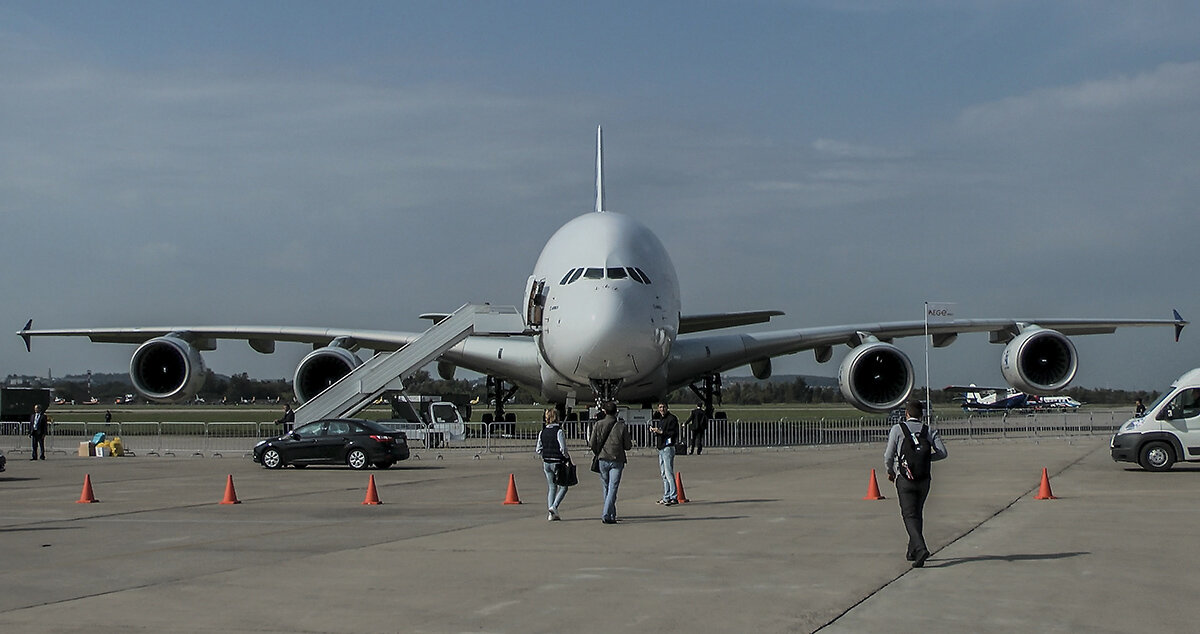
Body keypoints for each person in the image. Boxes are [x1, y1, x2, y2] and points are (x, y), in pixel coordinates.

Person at [883, 399, 947, 568]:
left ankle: (920, 548)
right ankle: (912, 551)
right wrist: (927, 460)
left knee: (909, 515)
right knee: (917, 513)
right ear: (922, 414)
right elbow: (943, 453)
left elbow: (888, 455)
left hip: (904, 478)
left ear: (907, 413)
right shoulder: (929, 430)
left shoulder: (898, 429)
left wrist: (890, 471)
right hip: (924, 479)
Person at [588, 401, 632, 524]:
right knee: (613, 487)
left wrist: (598, 451)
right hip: (617, 459)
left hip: (602, 458)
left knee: (606, 487)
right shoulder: (621, 426)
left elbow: (592, 443)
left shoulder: (598, 424)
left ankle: (611, 513)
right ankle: (607, 514)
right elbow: (628, 446)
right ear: (616, 411)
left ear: (604, 411)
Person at [535, 408, 572, 521]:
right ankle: (554, 507)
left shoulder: (542, 432)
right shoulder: (559, 431)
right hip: (557, 462)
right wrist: (566, 457)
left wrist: (545, 454)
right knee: (564, 487)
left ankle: (551, 514)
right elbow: (563, 448)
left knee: (552, 487)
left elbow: (538, 449)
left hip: (546, 462)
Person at [650, 402, 680, 505]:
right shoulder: (661, 419)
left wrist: (661, 432)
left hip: (668, 447)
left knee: (669, 473)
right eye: (660, 407)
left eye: (663, 407)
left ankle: (674, 496)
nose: (662, 409)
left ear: (667, 408)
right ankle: (666, 496)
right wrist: (655, 432)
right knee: (663, 474)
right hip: (661, 447)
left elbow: (673, 433)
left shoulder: (672, 419)